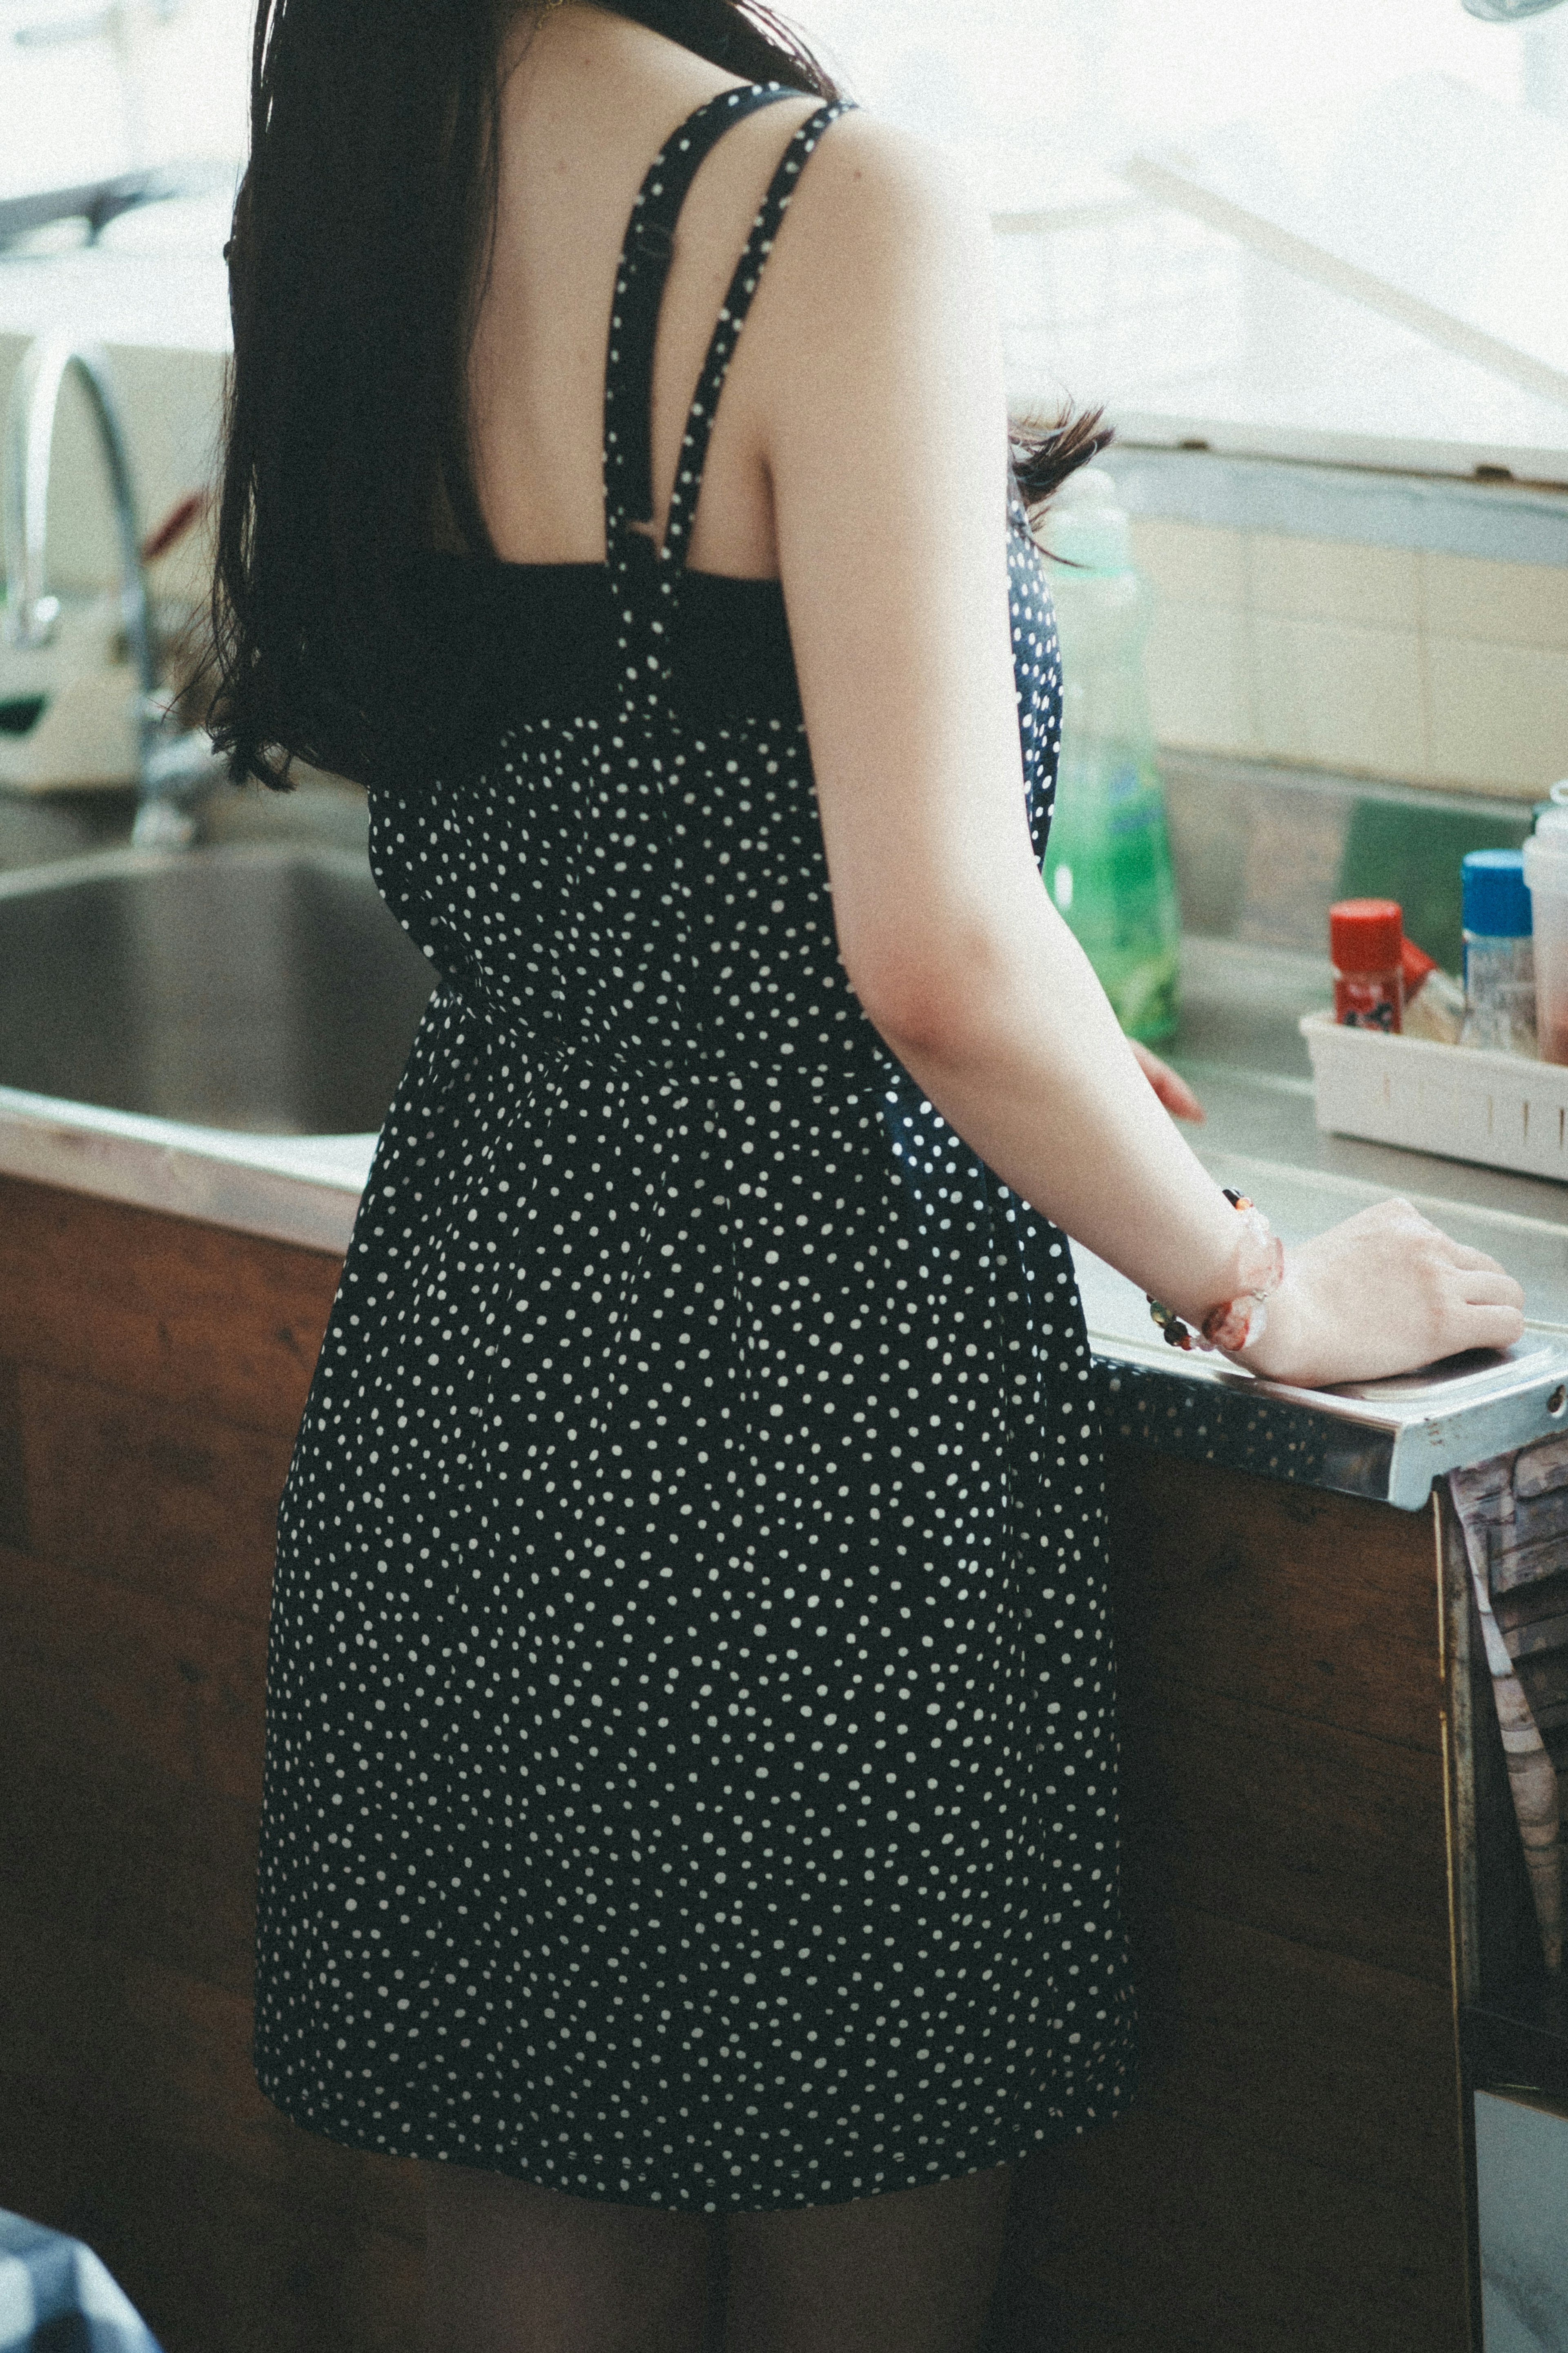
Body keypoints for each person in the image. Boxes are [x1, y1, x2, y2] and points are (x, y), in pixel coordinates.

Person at [207, 3, 1526, 2347]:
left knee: (536, 2257)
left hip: (473, 1376)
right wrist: (1257, 1280)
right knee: (867, 2282)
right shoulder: (833, 204)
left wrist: (1036, 1050)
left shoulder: (358, 194)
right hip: (818, 1425)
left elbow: (624, 809)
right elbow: (929, 951)